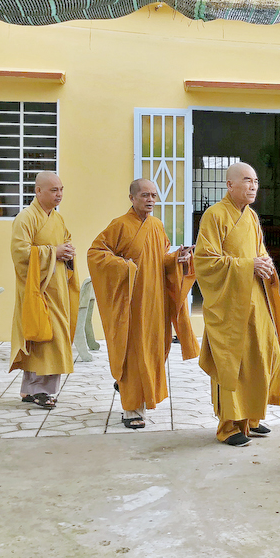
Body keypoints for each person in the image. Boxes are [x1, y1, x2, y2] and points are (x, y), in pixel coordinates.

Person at [87, 178, 198, 429]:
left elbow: (160, 260)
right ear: (132, 198)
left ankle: (134, 392)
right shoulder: (119, 225)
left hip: (155, 302)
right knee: (133, 353)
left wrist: (178, 258)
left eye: (154, 196)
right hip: (131, 303)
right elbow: (95, 254)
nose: (150, 200)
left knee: (155, 350)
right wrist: (123, 265)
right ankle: (132, 409)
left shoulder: (156, 226)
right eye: (145, 195)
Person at [194, 162, 280, 446]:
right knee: (231, 362)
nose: (253, 186)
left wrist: (264, 264)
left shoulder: (252, 216)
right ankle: (228, 426)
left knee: (262, 355)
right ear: (230, 185)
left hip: (256, 300)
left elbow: (258, 252)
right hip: (229, 304)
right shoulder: (214, 215)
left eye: (256, 181)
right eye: (247, 180)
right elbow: (205, 261)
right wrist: (248, 265)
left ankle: (251, 417)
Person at [9, 171, 80, 409]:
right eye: (53, 190)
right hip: (36, 289)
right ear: (38, 191)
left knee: (49, 337)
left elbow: (66, 241)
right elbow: (20, 253)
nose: (59, 194)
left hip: (57, 288)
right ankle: (42, 390)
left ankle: (31, 389)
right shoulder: (25, 218)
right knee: (42, 336)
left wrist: (67, 252)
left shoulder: (57, 219)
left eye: (61, 189)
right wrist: (53, 252)